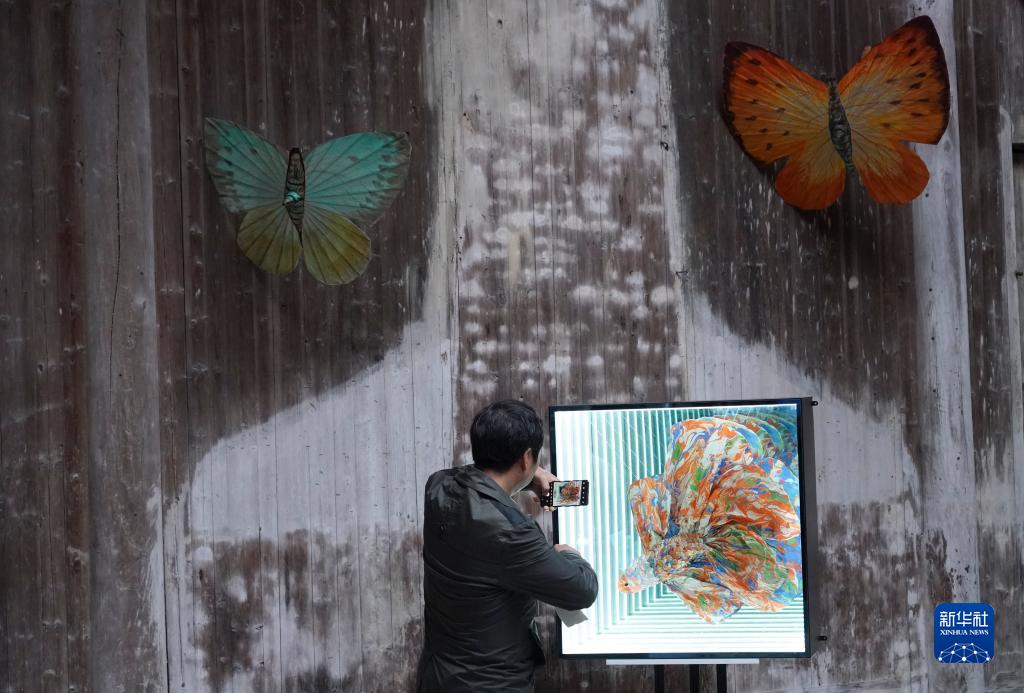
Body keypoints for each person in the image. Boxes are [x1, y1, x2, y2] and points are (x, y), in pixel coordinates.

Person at [417, 399, 599, 692]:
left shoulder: (438, 487)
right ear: (526, 458)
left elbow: (476, 480)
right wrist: (570, 555)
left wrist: (527, 478)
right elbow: (582, 590)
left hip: (438, 678)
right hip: (490, 685)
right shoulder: (511, 533)